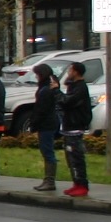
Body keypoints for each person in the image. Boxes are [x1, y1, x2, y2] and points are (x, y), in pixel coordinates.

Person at [60, 61, 93, 197]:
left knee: (77, 157)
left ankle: (82, 184)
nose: (68, 72)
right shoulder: (72, 86)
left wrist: (57, 91)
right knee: (70, 158)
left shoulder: (80, 88)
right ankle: (76, 182)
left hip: (75, 126)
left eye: (70, 70)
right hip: (68, 126)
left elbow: (68, 102)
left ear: (76, 72)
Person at [30, 63, 63, 192]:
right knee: (47, 151)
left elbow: (41, 109)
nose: (36, 77)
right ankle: (48, 179)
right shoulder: (48, 87)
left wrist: (34, 123)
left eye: (37, 74)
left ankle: (50, 180)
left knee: (47, 151)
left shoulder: (46, 90)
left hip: (46, 124)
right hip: (49, 122)